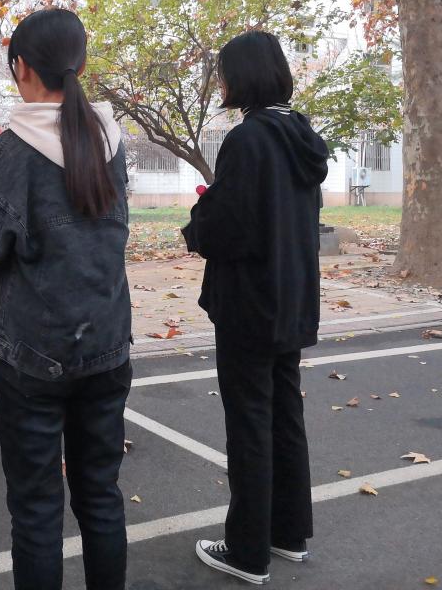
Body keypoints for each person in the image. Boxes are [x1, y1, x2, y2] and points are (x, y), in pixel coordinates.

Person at [0, 8, 132, 590]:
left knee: (36, 508)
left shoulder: (14, 150)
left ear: (21, 67)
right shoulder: (110, 139)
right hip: (107, 343)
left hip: (33, 352)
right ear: (80, 62)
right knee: (100, 494)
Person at [182, 31, 327, 585]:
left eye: (224, 73)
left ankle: (246, 551)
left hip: (250, 302)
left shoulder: (249, 139)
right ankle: (288, 532)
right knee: (285, 416)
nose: (221, 83)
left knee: (249, 423)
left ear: (242, 77)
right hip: (293, 297)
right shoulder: (301, 134)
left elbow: (231, 229)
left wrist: (198, 223)